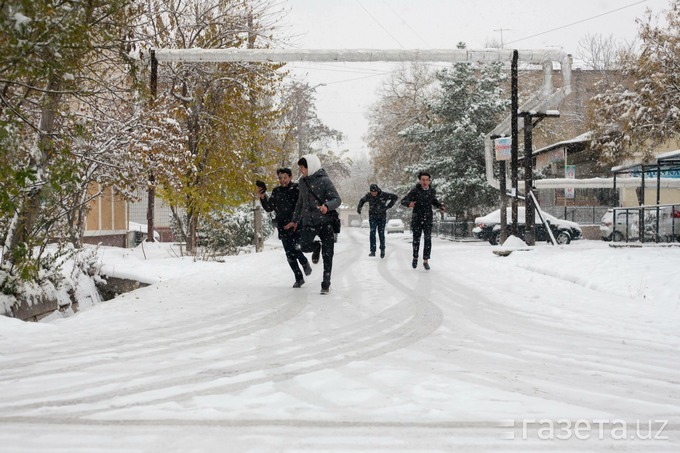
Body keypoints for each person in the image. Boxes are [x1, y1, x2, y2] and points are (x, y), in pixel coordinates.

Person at [284, 154, 342, 295]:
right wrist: (294, 220)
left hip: (325, 222)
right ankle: (317, 246)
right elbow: (300, 203)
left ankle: (325, 284)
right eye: (301, 168)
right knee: (303, 246)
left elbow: (337, 199)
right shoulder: (302, 182)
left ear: (311, 166)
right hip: (308, 222)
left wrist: (327, 206)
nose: (301, 171)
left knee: (328, 255)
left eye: (303, 168)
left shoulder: (325, 181)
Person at [258, 168, 312, 288]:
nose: (282, 180)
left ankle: (304, 262)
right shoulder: (276, 191)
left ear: (290, 177)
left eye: (285, 178)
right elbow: (269, 207)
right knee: (289, 254)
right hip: (282, 226)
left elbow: (304, 206)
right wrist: (262, 197)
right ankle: (299, 278)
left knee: (296, 249)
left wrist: (297, 221)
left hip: (296, 224)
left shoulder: (297, 189)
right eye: (280, 178)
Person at [400, 171, 445, 270]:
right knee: (416, 239)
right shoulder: (415, 191)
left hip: (428, 218)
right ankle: (415, 257)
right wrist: (409, 204)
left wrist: (440, 206)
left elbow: (433, 201)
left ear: (429, 181)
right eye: (423, 180)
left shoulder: (432, 191)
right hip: (417, 218)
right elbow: (403, 201)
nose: (425, 182)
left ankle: (426, 260)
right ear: (420, 181)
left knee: (428, 239)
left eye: (426, 180)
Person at [357, 184, 398, 258]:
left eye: (375, 192)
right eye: (372, 192)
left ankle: (382, 249)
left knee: (381, 233)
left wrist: (388, 206)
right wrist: (359, 208)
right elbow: (362, 201)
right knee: (372, 232)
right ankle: (373, 251)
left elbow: (395, 197)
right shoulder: (369, 196)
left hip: (382, 217)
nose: (373, 193)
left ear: (377, 190)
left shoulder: (384, 195)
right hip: (372, 217)